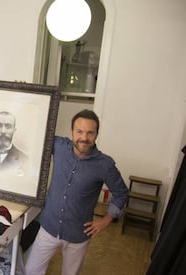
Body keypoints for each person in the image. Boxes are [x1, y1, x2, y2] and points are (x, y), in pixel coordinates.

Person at [24, 109, 129, 275]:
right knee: (30, 271)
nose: (84, 138)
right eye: (79, 131)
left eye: (90, 133)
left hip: (78, 235)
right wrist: (25, 96)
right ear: (71, 132)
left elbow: (122, 193)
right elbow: (35, 128)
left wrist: (106, 220)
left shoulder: (105, 164)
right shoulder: (58, 145)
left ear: (96, 134)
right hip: (48, 227)